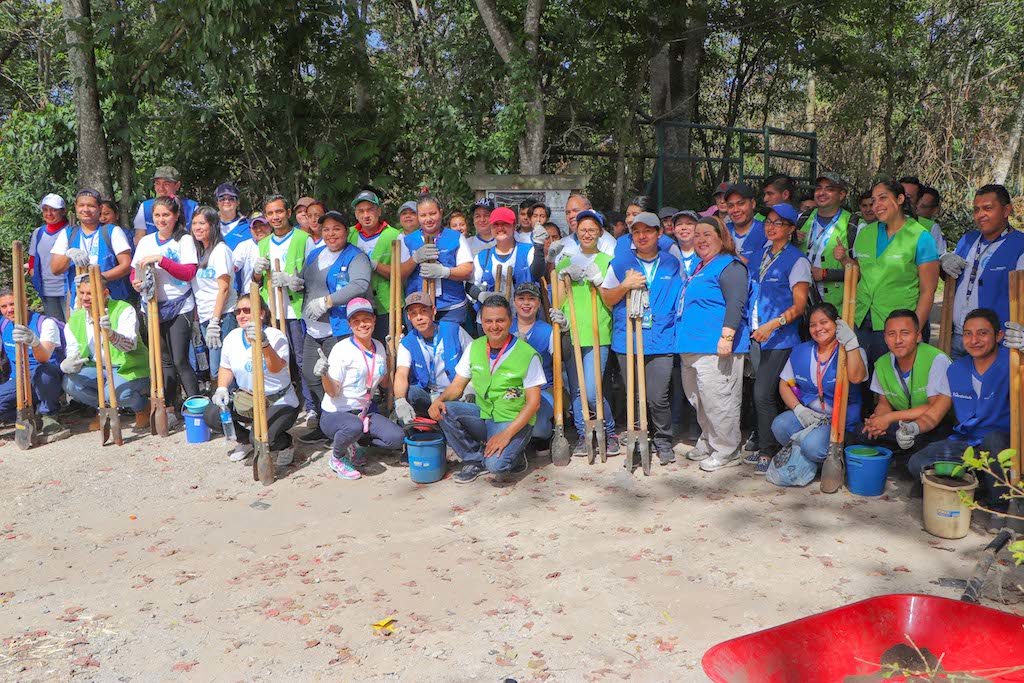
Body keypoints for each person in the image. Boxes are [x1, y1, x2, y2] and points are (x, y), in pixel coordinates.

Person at [909, 309, 1012, 530]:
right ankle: (980, 484)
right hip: (968, 444)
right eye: (967, 334)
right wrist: (913, 428)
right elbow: (935, 413)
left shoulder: (1013, 363)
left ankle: (999, 507)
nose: (974, 340)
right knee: (916, 464)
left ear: (999, 336)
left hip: (1005, 445)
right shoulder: (956, 369)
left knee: (993, 440)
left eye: (982, 333)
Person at [429, 295, 543, 484]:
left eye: (500, 320)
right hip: (484, 415)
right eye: (488, 321)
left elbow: (533, 404)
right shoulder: (475, 347)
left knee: (496, 467)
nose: (494, 326)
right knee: (445, 409)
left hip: (512, 421)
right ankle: (474, 459)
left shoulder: (527, 354)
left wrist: (505, 435)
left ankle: (515, 453)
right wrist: (439, 400)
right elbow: (457, 386)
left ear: (510, 321)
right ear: (481, 322)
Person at [601, 211, 682, 464]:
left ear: (659, 233)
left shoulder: (671, 262)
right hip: (628, 338)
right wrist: (624, 286)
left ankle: (663, 439)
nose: (642, 236)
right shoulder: (620, 262)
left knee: (658, 396)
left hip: (661, 338)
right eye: (636, 232)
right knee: (634, 394)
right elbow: (607, 298)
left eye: (648, 231)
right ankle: (638, 436)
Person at [676, 215, 750, 471]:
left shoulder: (730, 266)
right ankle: (709, 440)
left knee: (720, 400)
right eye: (697, 235)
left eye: (707, 234)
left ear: (722, 237)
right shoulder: (700, 266)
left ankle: (727, 450)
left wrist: (727, 336)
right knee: (701, 400)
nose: (701, 239)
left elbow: (736, 303)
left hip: (715, 347)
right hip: (692, 346)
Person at [769, 302, 867, 486]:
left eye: (824, 322)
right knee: (780, 425)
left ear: (836, 324)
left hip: (841, 422)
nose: (818, 328)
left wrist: (851, 343)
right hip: (811, 417)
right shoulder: (801, 351)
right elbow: (784, 384)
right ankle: (810, 459)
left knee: (812, 446)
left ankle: (821, 456)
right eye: (813, 325)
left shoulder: (851, 350)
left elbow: (857, 377)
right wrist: (799, 410)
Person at [296, 210, 372, 444]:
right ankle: (324, 421)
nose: (330, 234)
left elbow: (360, 283)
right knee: (311, 375)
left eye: (336, 229)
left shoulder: (355, 256)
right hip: (312, 328)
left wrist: (328, 301)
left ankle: (344, 426)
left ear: (346, 231)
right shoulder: (316, 254)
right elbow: (305, 281)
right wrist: (294, 282)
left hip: (337, 328)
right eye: (326, 229)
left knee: (337, 379)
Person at [745, 203, 811, 471]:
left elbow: (799, 305)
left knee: (763, 394)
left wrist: (774, 324)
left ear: (792, 229)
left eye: (778, 223)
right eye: (768, 222)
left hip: (781, 339)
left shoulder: (797, 260)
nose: (771, 227)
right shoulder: (760, 254)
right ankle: (768, 442)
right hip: (756, 335)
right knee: (761, 393)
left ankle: (767, 451)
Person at [550, 210, 618, 457]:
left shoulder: (608, 261)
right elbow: (557, 300)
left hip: (597, 332)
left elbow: (611, 302)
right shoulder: (566, 262)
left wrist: (598, 281)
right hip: (572, 332)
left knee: (591, 390)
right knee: (577, 390)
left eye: (592, 229)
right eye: (582, 229)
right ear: (576, 232)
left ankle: (609, 432)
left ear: (600, 232)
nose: (587, 233)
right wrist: (558, 276)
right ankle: (583, 434)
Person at [314, 298, 403, 480]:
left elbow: (385, 383)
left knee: (396, 438)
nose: (362, 324)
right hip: (336, 414)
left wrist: (394, 354)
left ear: (374, 320)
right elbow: (332, 392)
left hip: (364, 412)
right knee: (352, 425)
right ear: (350, 325)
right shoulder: (341, 349)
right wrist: (324, 374)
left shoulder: (379, 346)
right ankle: (337, 458)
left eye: (366, 319)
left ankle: (355, 443)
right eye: (356, 321)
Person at [853, 179, 940, 364]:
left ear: (900, 199)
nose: (877, 205)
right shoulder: (865, 233)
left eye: (883, 198)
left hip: (897, 328)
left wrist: (915, 331)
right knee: (860, 382)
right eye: (874, 200)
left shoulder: (920, 236)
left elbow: (928, 291)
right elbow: (860, 274)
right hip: (861, 321)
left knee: (891, 385)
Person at [207, 292, 300, 465]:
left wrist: (264, 344)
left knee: (261, 437)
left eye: (247, 310)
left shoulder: (275, 336)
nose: (242, 315)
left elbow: (276, 366)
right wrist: (221, 388)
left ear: (261, 313)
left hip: (278, 400)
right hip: (248, 400)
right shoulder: (232, 337)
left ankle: (285, 444)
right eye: (238, 311)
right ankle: (244, 441)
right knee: (212, 413)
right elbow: (226, 367)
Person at [131, 196, 200, 411]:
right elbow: (136, 269)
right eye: (157, 216)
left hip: (179, 305)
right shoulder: (145, 241)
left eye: (166, 215)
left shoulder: (184, 240)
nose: (162, 220)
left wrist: (162, 260)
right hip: (152, 306)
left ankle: (197, 404)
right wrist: (136, 281)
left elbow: (189, 272)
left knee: (180, 359)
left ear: (176, 216)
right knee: (165, 361)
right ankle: (170, 405)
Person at [852, 309, 952, 455]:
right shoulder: (882, 363)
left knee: (923, 440)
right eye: (891, 334)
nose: (898, 340)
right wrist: (878, 421)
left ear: (918, 336)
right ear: (885, 338)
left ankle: (906, 454)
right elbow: (884, 403)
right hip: (902, 423)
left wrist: (889, 417)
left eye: (905, 333)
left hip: (932, 425)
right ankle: (903, 452)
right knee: (862, 433)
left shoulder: (936, 359)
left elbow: (934, 408)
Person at [941, 184, 1024, 358]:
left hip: (997, 345)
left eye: (988, 208)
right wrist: (942, 261)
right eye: (976, 209)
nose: (980, 215)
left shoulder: (1020, 245)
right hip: (958, 339)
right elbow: (952, 276)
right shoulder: (967, 240)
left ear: (1006, 210)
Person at [251, 194, 314, 417]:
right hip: (272, 310)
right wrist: (257, 272)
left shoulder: (303, 239)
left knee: (301, 360)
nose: (275, 217)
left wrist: (292, 281)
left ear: (288, 213)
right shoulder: (263, 243)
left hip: (295, 310)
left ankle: (311, 407)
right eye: (270, 213)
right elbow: (255, 281)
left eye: (279, 212)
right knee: (275, 358)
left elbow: (312, 278)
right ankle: (282, 404)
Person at [62, 275, 150, 429]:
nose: (85, 298)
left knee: (114, 394)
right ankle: (105, 409)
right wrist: (68, 364)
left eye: (90, 294)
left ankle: (142, 407)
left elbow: (129, 345)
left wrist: (110, 334)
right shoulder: (75, 319)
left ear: (104, 294)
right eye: (82, 293)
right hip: (96, 368)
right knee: (70, 384)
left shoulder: (123, 309)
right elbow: (73, 352)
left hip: (128, 367)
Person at [394, 292, 474, 423]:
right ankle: (423, 424)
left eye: (423, 311)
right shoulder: (407, 343)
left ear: (433, 311)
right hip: (430, 395)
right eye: (413, 313)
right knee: (411, 392)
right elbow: (401, 374)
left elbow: (476, 357)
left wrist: (471, 386)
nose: (419, 317)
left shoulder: (454, 330)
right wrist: (400, 400)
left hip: (457, 392)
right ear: (409, 317)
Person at [0, 287, 67, 439]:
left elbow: (44, 358)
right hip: (19, 382)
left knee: (43, 372)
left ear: (25, 302)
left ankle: (49, 415)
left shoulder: (45, 323)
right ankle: (29, 416)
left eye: (13, 304)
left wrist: (34, 342)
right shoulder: (4, 325)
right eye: (4, 306)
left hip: (47, 380)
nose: (9, 310)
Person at [400, 194, 474, 329]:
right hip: (418, 308)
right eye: (423, 215)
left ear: (440, 212)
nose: (428, 219)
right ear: (418, 216)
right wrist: (414, 259)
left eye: (432, 214)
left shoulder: (455, 237)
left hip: (451, 306)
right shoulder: (408, 240)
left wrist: (444, 272)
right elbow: (399, 274)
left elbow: (467, 270)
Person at [51, 189, 133, 309]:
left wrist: (100, 277)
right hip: (81, 302)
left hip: (109, 301)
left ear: (99, 208)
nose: (85, 210)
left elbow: (126, 265)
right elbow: (55, 269)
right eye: (81, 205)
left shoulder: (112, 232)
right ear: (75, 207)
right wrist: (69, 255)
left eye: (91, 206)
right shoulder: (68, 234)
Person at [190, 206, 237, 382]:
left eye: (202, 223)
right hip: (204, 317)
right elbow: (198, 290)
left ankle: (230, 406)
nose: (197, 227)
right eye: (194, 223)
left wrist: (215, 321)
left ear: (213, 225)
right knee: (213, 366)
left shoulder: (221, 250)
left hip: (222, 316)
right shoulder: (199, 253)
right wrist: (197, 320)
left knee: (221, 368)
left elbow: (223, 288)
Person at [349, 190, 402, 341]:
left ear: (379, 211)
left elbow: (401, 274)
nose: (366, 215)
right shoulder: (349, 234)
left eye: (370, 210)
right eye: (361, 211)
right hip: (357, 305)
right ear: (356, 214)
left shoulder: (394, 235)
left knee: (388, 348)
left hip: (387, 305)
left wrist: (374, 265)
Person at [470, 207, 546, 314]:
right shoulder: (482, 257)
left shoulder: (528, 250)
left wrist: (539, 247)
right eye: (496, 224)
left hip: (523, 318)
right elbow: (470, 286)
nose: (500, 228)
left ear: (514, 226)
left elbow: (538, 273)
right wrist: (480, 295)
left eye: (505, 224)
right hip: (492, 321)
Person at [800, 173, 857, 309]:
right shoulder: (803, 218)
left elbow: (859, 273)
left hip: (836, 307)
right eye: (819, 188)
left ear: (842, 195)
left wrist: (825, 274)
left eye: (829, 189)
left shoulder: (853, 224)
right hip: (801, 300)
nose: (822, 193)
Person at [510, 282, 554, 449]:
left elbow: (562, 359)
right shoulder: (506, 326)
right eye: (521, 299)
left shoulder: (547, 330)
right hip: (511, 389)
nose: (526, 303)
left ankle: (542, 436)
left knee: (539, 429)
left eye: (531, 299)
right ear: (514, 302)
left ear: (539, 303)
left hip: (541, 390)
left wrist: (563, 335)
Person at [28, 193, 70, 321]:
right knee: (55, 327)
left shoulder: (71, 231)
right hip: (46, 291)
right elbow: (32, 260)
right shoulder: (38, 233)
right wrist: (34, 275)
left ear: (63, 212)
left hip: (67, 289)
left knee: (72, 328)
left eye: (53, 210)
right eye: (45, 210)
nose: (49, 214)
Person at [132, 166, 197, 240]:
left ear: (177, 185)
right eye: (157, 183)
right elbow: (139, 237)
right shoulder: (145, 207)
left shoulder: (192, 207)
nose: (161, 188)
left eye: (166, 184)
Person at [551, 193, 616, 260]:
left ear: (590, 210)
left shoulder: (608, 244)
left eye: (576, 210)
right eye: (568, 213)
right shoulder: (563, 243)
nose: (571, 216)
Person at [723, 183, 767, 266]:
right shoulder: (722, 231)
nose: (735, 210)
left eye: (741, 203)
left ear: (753, 203)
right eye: (730, 206)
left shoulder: (766, 231)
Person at [899, 176, 945, 252]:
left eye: (908, 197)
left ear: (918, 201)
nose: (903, 200)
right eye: (900, 195)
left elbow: (938, 258)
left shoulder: (931, 228)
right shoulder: (880, 223)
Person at [233, 214, 270, 292]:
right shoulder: (243, 246)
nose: (259, 229)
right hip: (250, 296)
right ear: (250, 230)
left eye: (262, 225)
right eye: (255, 227)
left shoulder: (277, 243)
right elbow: (233, 267)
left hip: (273, 295)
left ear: (269, 226)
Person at [215, 182, 252, 250]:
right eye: (222, 199)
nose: (227, 201)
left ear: (238, 202)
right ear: (217, 203)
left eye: (231, 198)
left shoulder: (249, 226)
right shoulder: (210, 224)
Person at [672, 211, 700, 276]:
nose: (684, 228)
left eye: (689, 223)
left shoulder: (706, 254)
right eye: (679, 224)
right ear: (673, 229)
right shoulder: (669, 254)